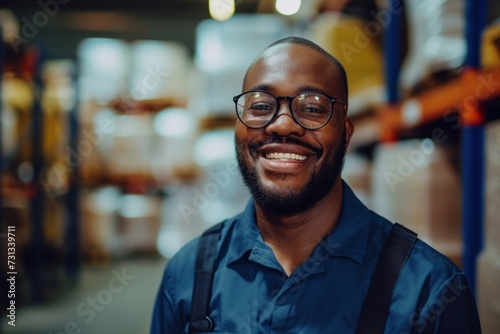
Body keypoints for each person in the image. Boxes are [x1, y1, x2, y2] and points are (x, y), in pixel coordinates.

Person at [150, 36, 482, 333]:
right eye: (262, 106)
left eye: (311, 108)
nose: (282, 124)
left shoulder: (429, 290)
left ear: (346, 132)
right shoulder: (188, 275)